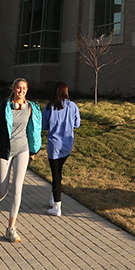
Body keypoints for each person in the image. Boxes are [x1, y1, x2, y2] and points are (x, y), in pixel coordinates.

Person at [0, 78, 41, 243]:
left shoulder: (31, 108)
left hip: (22, 150)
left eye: (23, 88)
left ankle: (11, 228)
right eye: (18, 88)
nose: (21, 91)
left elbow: (35, 129)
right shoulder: (4, 107)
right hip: (5, 151)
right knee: (2, 190)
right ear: (13, 89)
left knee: (17, 188)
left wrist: (33, 150)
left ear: (27, 90)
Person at [41, 82, 80, 217]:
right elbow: (77, 123)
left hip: (54, 145)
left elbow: (44, 126)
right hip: (67, 144)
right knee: (58, 172)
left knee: (56, 174)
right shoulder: (73, 106)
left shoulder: (49, 107)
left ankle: (57, 205)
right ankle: (54, 196)